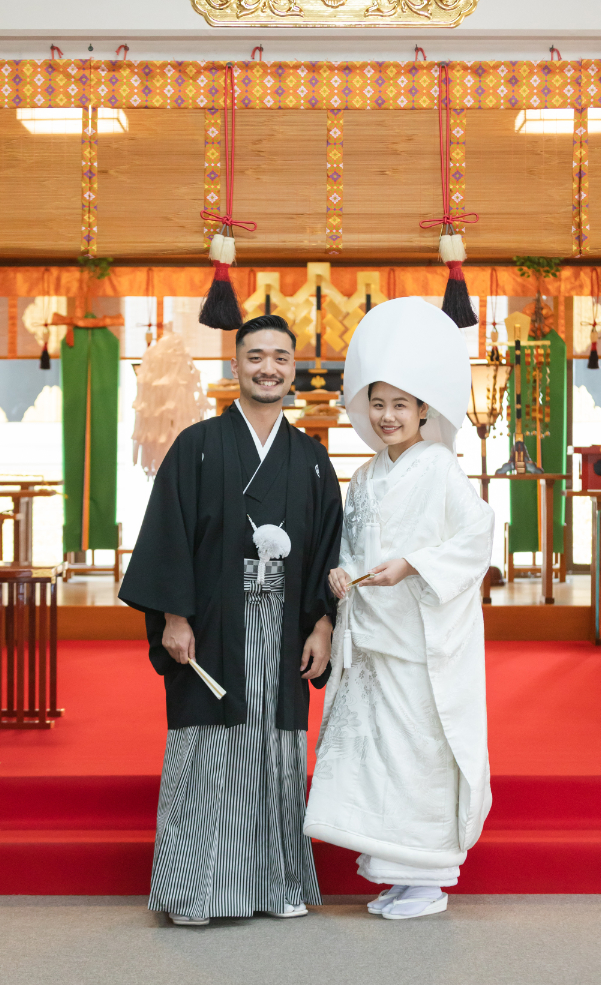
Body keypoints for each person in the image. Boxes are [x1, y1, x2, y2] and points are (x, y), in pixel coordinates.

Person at [119, 315, 343, 925]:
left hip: (284, 632)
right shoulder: (196, 447)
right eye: (255, 357)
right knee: (209, 753)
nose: (268, 368)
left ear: (292, 368)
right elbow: (169, 534)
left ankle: (278, 888)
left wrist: (323, 626)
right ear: (236, 364)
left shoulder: (313, 460)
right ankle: (196, 893)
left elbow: (329, 551)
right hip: (213, 625)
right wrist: (173, 615)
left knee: (277, 754)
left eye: (280, 357)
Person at [304, 297, 494, 921]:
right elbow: (353, 547)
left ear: (423, 412)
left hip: (419, 638)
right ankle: (397, 874)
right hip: (373, 638)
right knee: (382, 758)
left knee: (419, 752)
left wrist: (412, 564)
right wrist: (340, 573)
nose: (388, 417)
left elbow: (475, 535)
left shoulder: (440, 467)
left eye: (401, 406)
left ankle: (430, 880)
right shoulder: (363, 478)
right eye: (378, 404)